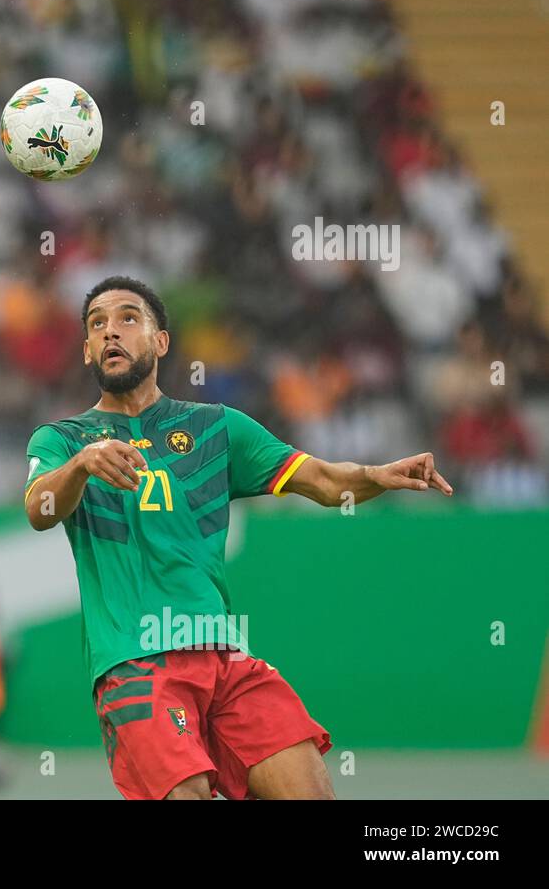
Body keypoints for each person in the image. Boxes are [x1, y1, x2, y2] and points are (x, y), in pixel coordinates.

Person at [24, 277, 453, 800]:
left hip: (223, 657)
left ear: (160, 341)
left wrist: (377, 474)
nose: (111, 331)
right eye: (97, 324)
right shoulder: (63, 439)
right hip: (135, 664)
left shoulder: (215, 428)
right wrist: (82, 465)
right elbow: (39, 508)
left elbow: (321, 481)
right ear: (88, 352)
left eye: (128, 318)